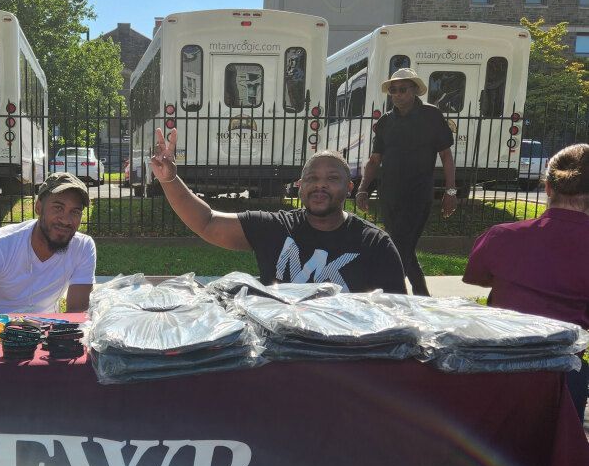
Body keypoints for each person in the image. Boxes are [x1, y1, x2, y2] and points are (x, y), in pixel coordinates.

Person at [149, 128, 406, 293]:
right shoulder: (276, 228)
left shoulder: (375, 244)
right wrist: (169, 179)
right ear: (299, 185)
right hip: (282, 354)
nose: (320, 185)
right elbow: (207, 222)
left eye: (332, 178)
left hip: (344, 360)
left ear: (349, 187)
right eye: (312, 177)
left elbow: (396, 314)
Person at [463, 143, 589, 420]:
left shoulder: (501, 236)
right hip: (562, 376)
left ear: (547, 187)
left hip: (498, 366)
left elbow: (477, 277)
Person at [355, 68, 457, 296]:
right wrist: (362, 189)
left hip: (418, 194)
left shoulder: (431, 116)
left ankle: (392, 291)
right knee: (401, 247)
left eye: (403, 89)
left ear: (414, 90)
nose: (398, 94)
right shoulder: (384, 123)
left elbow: (446, 156)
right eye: (393, 91)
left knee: (401, 244)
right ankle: (420, 294)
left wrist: (451, 190)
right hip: (389, 194)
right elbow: (374, 160)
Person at [0, 172, 96, 314]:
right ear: (38, 207)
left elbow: (78, 314)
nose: (65, 220)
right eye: (58, 208)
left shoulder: (82, 247)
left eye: (75, 212)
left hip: (44, 333)